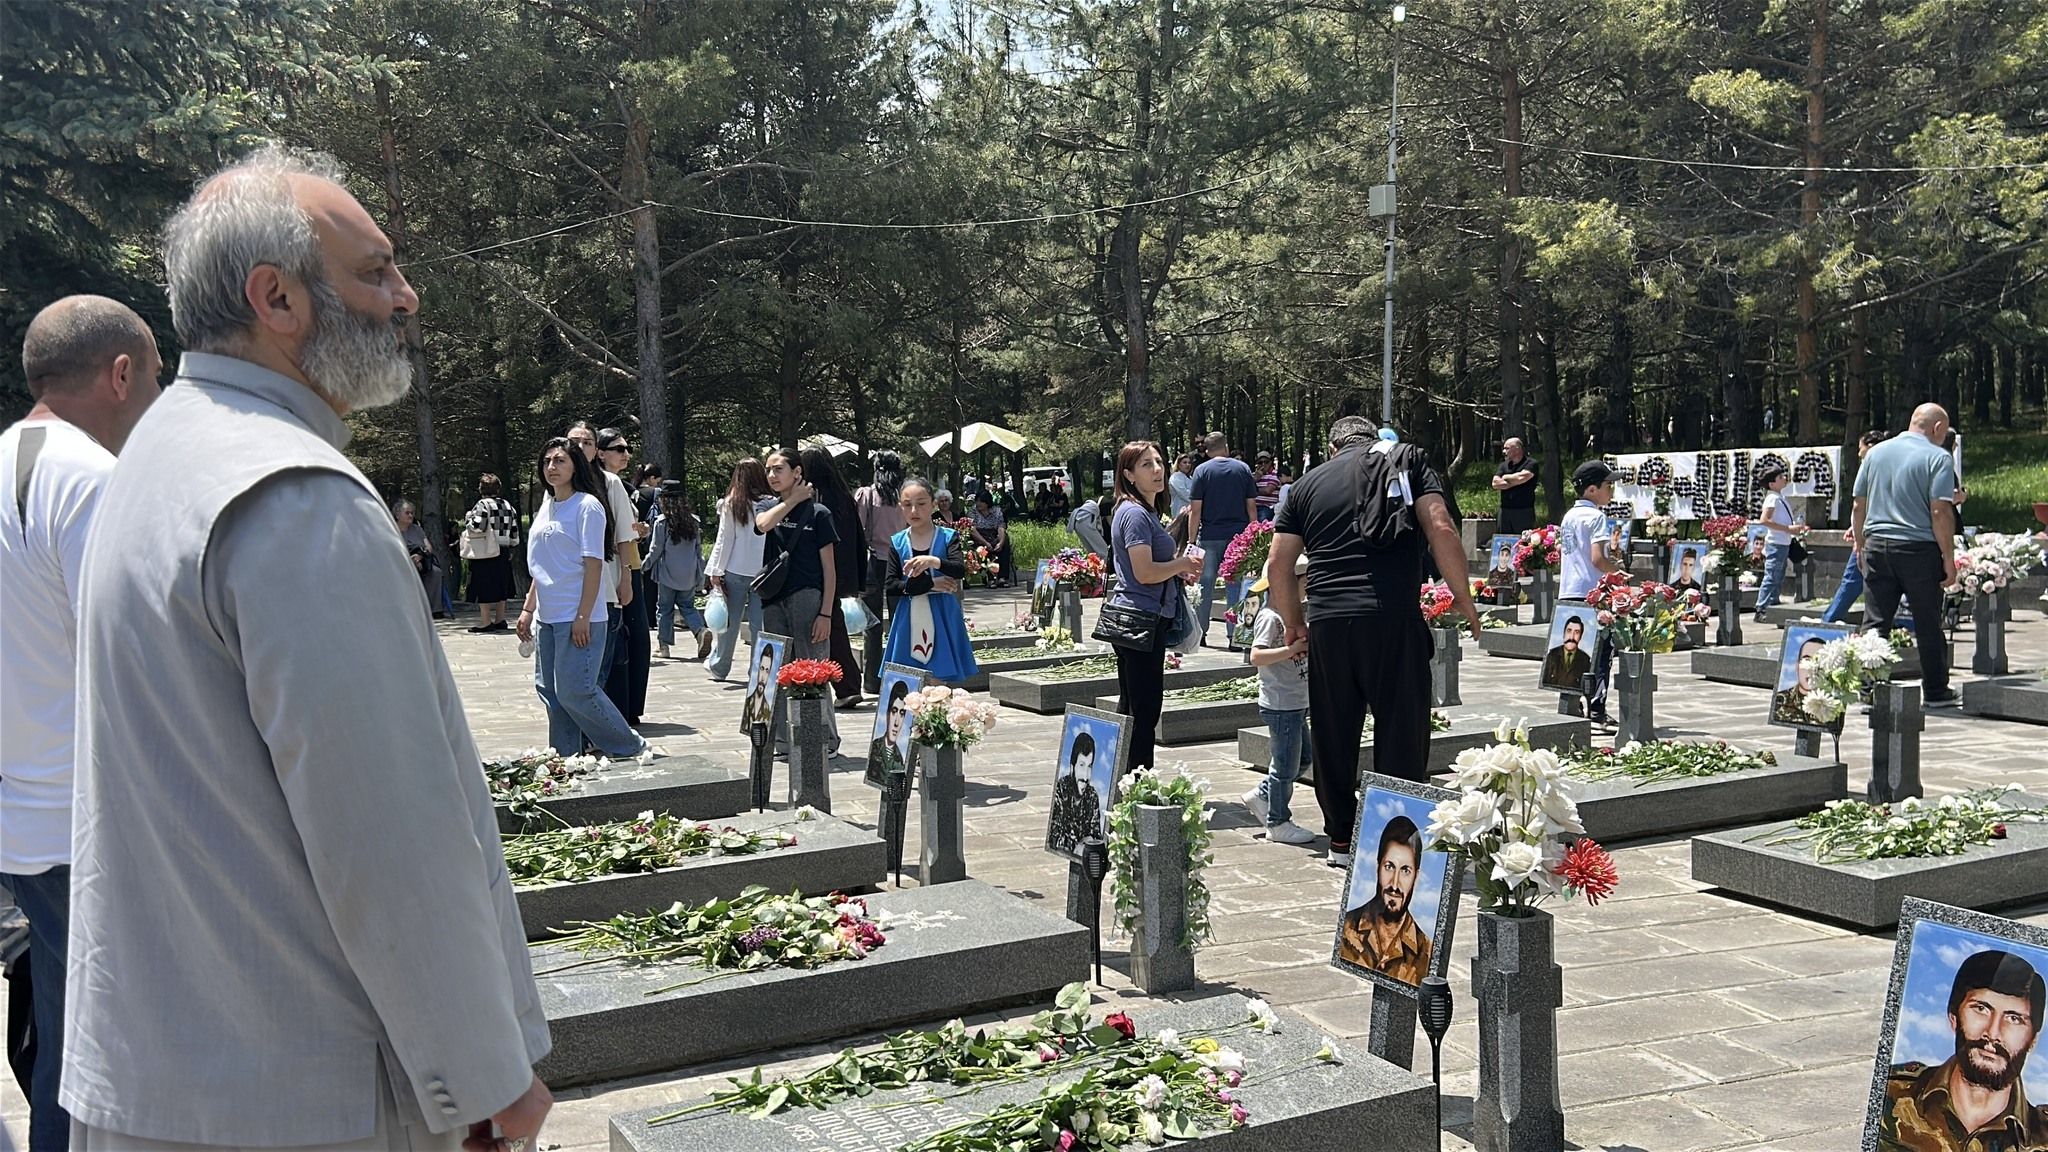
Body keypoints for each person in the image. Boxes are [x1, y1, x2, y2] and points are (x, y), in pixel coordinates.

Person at [68, 145, 551, 1151]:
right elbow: (386, 831)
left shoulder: (160, 454)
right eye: (375, 271)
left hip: (172, 1073)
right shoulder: (294, 496)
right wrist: (483, 1073)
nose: (405, 296)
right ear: (276, 299)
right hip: (308, 1093)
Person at [3, 295, 161, 1152]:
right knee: (102, 1067)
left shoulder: (9, 465)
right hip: (88, 824)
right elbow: (138, 667)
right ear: (121, 374)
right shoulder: (93, 481)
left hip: (25, 818)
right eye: (157, 378)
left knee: (66, 1042)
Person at [1268, 416, 1481, 868]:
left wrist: (1293, 623)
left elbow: (1279, 564)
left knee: (1333, 731)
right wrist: (1462, 597)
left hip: (1329, 621)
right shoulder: (1408, 461)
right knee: (1402, 729)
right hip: (1391, 616)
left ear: (1333, 447)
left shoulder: (1304, 486)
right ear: (1372, 438)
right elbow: (1440, 526)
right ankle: (1396, 841)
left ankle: (1341, 839)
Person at [517, 439, 648, 758]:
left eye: (560, 460)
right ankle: (566, 757)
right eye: (547, 461)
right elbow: (542, 564)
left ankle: (630, 746)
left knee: (577, 691)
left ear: (576, 465)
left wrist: (582, 616)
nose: (552, 467)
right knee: (551, 692)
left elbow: (593, 565)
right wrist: (528, 609)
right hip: (547, 617)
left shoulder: (588, 506)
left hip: (578, 614)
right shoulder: (548, 505)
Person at [1881, 949, 2048, 1149]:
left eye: (2014, 1018)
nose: (1993, 1033)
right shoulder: (1888, 1091)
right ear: (1953, 1017)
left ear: (2033, 1040)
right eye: (1981, 1009)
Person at [1852, 403, 1962, 707]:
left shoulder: (1875, 453)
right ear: (1937, 428)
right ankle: (1936, 690)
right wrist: (1948, 557)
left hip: (1877, 545)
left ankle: (1868, 687)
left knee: (1875, 621)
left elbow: (1858, 505)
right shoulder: (1938, 457)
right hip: (1918, 549)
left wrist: (1860, 544)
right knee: (1927, 621)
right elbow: (1940, 511)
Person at [1105, 442, 1200, 775]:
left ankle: (1127, 777)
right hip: (1140, 618)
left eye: (1159, 462)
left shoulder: (1143, 511)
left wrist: (1176, 569)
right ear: (1129, 475)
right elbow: (1144, 572)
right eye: (1146, 464)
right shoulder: (1133, 514)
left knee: (1135, 705)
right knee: (1144, 708)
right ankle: (1138, 781)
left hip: (1143, 616)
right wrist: (1180, 564)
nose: (1157, 469)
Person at [756, 447, 841, 750]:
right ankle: (781, 741)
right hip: (773, 598)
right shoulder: (769, 506)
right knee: (776, 670)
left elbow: (830, 569)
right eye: (768, 469)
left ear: (797, 472)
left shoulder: (819, 513)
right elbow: (763, 524)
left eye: (778, 469)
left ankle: (825, 740)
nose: (772, 475)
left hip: (808, 597)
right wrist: (792, 500)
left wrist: (826, 613)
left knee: (813, 669)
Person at [1240, 554, 1316, 847]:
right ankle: (1277, 822)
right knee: (1284, 766)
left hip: (1295, 702)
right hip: (1281, 704)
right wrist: (1291, 650)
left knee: (1303, 759)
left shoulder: (1289, 615)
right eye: (1306, 581)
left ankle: (1262, 795)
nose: (1308, 588)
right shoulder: (1271, 617)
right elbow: (1256, 656)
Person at [883, 477, 978, 683]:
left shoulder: (948, 536)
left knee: (939, 676)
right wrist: (931, 585)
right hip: (909, 614)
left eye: (921, 504)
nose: (914, 511)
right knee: (908, 678)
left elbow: (959, 569)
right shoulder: (898, 542)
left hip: (942, 611)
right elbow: (891, 585)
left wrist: (933, 561)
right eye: (907, 505)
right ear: (900, 507)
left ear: (933, 504)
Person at [591, 427, 652, 725]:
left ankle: (629, 707)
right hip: (618, 569)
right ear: (601, 453)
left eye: (627, 449)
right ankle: (619, 708)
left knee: (635, 639)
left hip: (630, 564)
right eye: (619, 449)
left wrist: (640, 531)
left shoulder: (622, 486)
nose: (626, 454)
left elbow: (626, 530)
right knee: (624, 640)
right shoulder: (603, 484)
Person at [801, 447, 866, 709]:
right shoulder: (843, 496)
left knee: (829, 630)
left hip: (819, 573)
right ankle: (848, 684)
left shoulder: (814, 499)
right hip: (842, 571)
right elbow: (857, 539)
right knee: (835, 628)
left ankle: (846, 685)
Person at [1559, 461, 1624, 724]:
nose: (1611, 490)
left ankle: (1570, 708)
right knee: (1601, 655)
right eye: (1608, 485)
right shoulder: (1596, 517)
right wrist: (1618, 572)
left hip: (1569, 591)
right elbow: (1598, 559)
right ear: (1592, 489)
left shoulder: (1569, 516)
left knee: (1572, 652)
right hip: (1592, 593)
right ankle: (1597, 710)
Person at [1336, 816, 1433, 985]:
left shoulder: (1425, 951)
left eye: (1405, 871)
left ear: (1416, 877)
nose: (1394, 884)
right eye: (1389, 867)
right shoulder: (1348, 928)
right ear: (1377, 867)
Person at [1188, 431, 1259, 642]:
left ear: (1207, 450)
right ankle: (1235, 635)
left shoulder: (1201, 471)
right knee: (1235, 585)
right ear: (1226, 446)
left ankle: (1200, 633)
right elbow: (1251, 507)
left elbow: (1195, 510)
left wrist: (1191, 541)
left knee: (1204, 585)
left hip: (1210, 535)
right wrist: (1254, 535)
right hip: (1238, 538)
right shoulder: (1242, 469)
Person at [705, 458, 772, 681]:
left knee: (729, 622)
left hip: (735, 569)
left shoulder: (732, 503)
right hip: (763, 572)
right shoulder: (771, 503)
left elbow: (725, 540)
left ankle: (719, 667)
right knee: (759, 625)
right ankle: (759, 673)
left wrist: (716, 570)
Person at [854, 451, 907, 694]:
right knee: (899, 623)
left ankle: (872, 681)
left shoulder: (867, 494)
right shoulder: (904, 496)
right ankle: (900, 677)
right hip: (901, 561)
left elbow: (858, 528)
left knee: (872, 624)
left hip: (874, 561)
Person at [1823, 431, 1890, 624]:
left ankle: (1829, 620)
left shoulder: (1869, 468)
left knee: (1851, 580)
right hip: (1884, 531)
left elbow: (1859, 505)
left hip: (1868, 535)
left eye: (1861, 448)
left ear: (1870, 446)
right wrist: (1855, 526)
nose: (1859, 453)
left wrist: (1859, 538)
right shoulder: (1889, 468)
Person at [645, 480, 709, 662]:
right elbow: (698, 550)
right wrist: (701, 574)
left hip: (667, 573)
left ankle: (663, 646)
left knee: (664, 609)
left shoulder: (662, 522)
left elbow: (656, 549)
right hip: (689, 573)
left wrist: (644, 565)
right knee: (688, 607)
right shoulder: (693, 521)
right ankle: (700, 631)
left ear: (664, 500)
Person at [462, 473, 520, 632]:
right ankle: (500, 619)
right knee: (502, 585)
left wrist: (468, 518)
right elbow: (514, 529)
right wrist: (511, 546)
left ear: (481, 489)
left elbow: (478, 526)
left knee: (483, 585)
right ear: (498, 488)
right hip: (503, 549)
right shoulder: (507, 505)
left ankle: (486, 621)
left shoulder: (482, 504)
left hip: (485, 551)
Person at [1752, 464, 1808, 620]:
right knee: (1772, 576)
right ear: (1772, 484)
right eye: (1780, 477)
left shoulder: (1779, 497)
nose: (1784, 479)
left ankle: (1772, 605)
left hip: (1783, 542)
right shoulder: (1772, 498)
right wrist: (1788, 529)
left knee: (1778, 575)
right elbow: (1764, 520)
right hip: (1776, 543)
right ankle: (1761, 608)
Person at [1046, 729, 1105, 854]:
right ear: (1072, 767)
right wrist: (1080, 845)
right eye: (1082, 765)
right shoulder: (1061, 789)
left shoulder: (1092, 796)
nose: (1086, 776)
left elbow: (1096, 837)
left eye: (1089, 766)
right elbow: (1055, 837)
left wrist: (1085, 844)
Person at [391, 498, 444, 618]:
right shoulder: (391, 529)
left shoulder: (417, 529)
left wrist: (419, 556)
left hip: (421, 560)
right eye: (407, 513)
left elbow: (428, 547)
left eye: (412, 513)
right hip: (399, 563)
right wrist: (410, 559)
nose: (410, 515)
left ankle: (433, 609)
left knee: (436, 572)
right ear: (397, 515)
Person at [865, 678, 912, 788]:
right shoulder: (876, 746)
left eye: (902, 714)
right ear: (887, 713)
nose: (896, 723)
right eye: (894, 712)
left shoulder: (900, 758)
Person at [1772, 635, 1827, 725]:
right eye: (1807, 660)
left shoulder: (1834, 707)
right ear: (1797, 666)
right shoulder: (1780, 700)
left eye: (1819, 661)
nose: (1812, 668)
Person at [1492, 437, 1539, 534]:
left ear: (1517, 448)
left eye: (1507, 448)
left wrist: (1505, 477)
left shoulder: (1531, 463)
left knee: (1523, 541)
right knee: (1504, 540)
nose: (1504, 451)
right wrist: (1515, 482)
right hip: (1505, 511)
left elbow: (1522, 478)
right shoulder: (1503, 465)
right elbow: (1495, 483)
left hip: (1524, 511)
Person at [968, 491, 1013, 587]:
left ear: (987, 502)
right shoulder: (973, 511)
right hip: (980, 536)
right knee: (981, 549)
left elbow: (1001, 527)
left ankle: (1003, 577)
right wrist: (985, 543)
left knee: (1005, 542)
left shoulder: (997, 511)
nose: (978, 504)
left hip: (994, 534)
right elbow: (972, 530)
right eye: (977, 501)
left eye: (981, 501)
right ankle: (989, 578)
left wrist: (1001, 542)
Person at [1542, 615, 1596, 692]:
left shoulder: (1585, 660)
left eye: (1577, 632)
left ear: (1580, 637)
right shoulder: (1552, 655)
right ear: (1564, 634)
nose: (1571, 637)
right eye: (1569, 631)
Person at [1069, 492, 1111, 563]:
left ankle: (1094, 567)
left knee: (1092, 552)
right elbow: (1110, 524)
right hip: (1085, 519)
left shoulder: (1104, 501)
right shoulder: (1109, 504)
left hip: (1077, 520)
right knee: (1103, 551)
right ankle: (1105, 567)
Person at [1253, 451, 1281, 521]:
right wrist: (1255, 478)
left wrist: (1252, 490)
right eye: (1260, 462)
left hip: (1268, 507)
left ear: (1270, 462)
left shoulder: (1275, 474)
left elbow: (1267, 490)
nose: (1263, 464)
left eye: (1266, 462)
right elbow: (1245, 488)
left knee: (1263, 519)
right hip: (1253, 506)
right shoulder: (1253, 475)